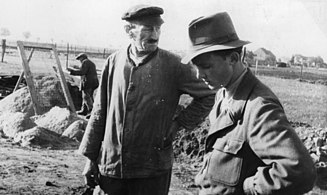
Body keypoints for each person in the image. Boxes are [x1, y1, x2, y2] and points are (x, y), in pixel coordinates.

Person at [78, 4, 216, 195]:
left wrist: (178, 124)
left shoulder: (173, 65)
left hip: (152, 171)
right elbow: (99, 112)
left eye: (158, 28)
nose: (155, 34)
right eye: (148, 28)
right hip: (112, 167)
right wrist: (90, 159)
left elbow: (208, 94)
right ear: (129, 30)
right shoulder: (114, 62)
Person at [181, 12, 316, 195]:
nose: (199, 75)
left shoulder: (259, 107)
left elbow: (299, 171)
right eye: (195, 67)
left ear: (234, 58)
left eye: (206, 66)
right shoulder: (223, 93)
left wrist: (247, 188)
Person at [66, 53, 99, 117]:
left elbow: (82, 72)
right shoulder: (89, 62)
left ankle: (91, 112)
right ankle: (84, 110)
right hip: (93, 82)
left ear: (82, 58)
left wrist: (72, 71)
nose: (79, 61)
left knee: (86, 97)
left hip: (88, 83)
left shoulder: (85, 62)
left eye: (79, 59)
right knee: (87, 96)